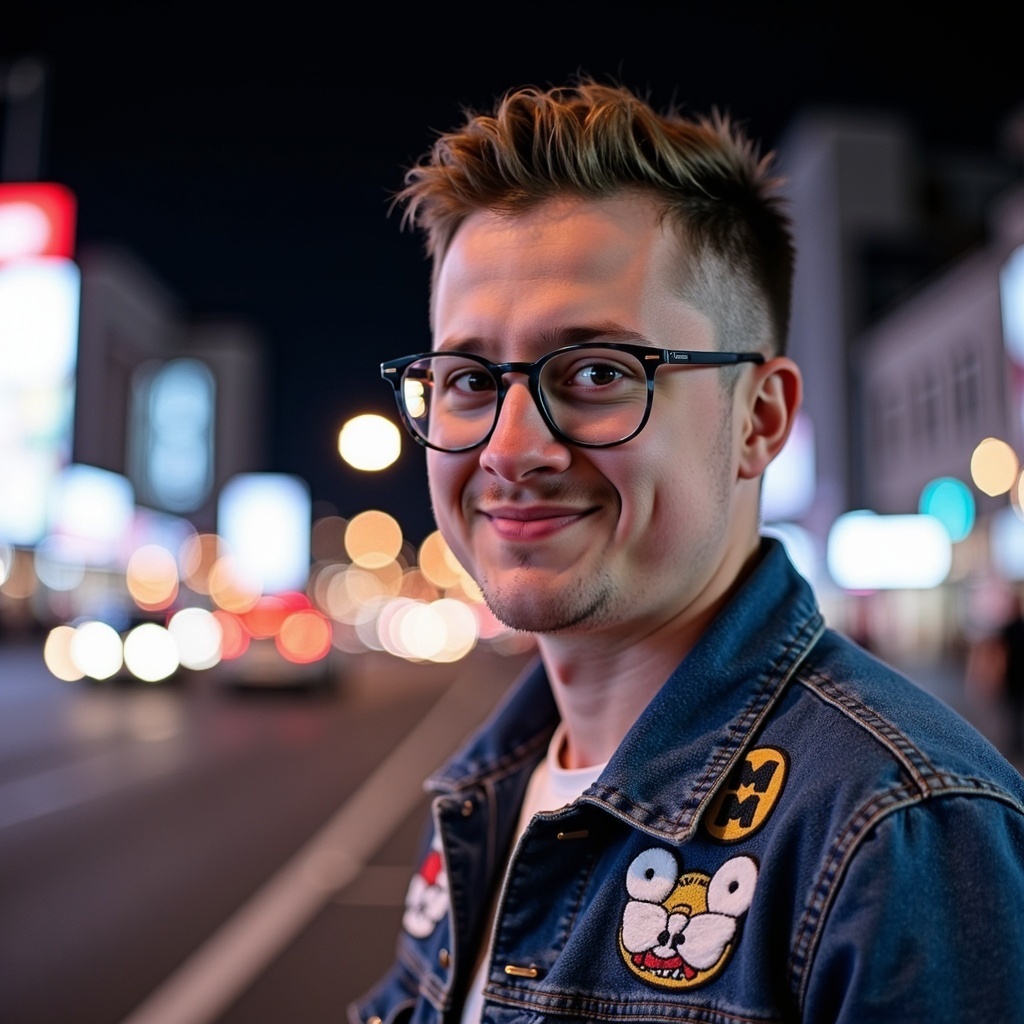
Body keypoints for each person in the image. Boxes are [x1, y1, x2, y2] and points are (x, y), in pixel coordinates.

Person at [352, 79, 1024, 1024]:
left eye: (596, 372)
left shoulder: (903, 833)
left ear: (760, 418)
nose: (509, 449)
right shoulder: (486, 790)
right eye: (468, 379)